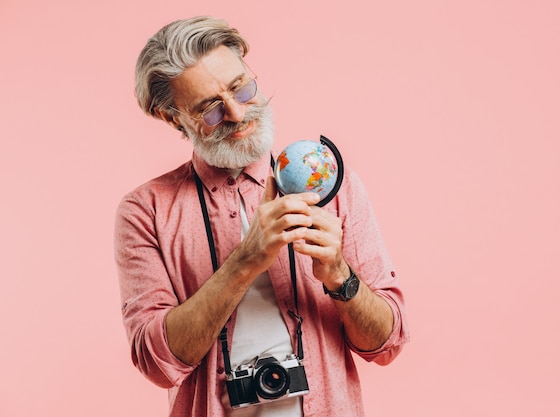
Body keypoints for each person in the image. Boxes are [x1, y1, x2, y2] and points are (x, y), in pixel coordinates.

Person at [114, 16, 409, 417]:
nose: (236, 113)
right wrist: (247, 259)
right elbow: (156, 362)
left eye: (241, 88)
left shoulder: (329, 184)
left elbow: (387, 343)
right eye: (210, 109)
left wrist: (339, 274)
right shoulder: (145, 211)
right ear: (173, 118)